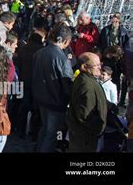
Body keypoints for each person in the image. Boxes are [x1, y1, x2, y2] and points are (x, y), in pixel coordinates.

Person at [33, 25, 73, 153]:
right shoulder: (62, 58)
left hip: (41, 98)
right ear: (66, 41)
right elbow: (67, 83)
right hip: (55, 102)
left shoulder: (40, 52)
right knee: (53, 134)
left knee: (45, 129)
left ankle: (39, 148)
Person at [66, 52, 107, 152]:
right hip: (85, 137)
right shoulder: (86, 85)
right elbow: (85, 116)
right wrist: (98, 128)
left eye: (100, 64)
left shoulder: (87, 79)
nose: (99, 68)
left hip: (83, 135)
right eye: (96, 65)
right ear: (84, 67)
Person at [17, 18, 45, 139]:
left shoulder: (23, 49)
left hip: (23, 81)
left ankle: (20, 131)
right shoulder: (42, 51)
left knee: (23, 108)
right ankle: (33, 133)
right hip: (37, 83)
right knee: (35, 109)